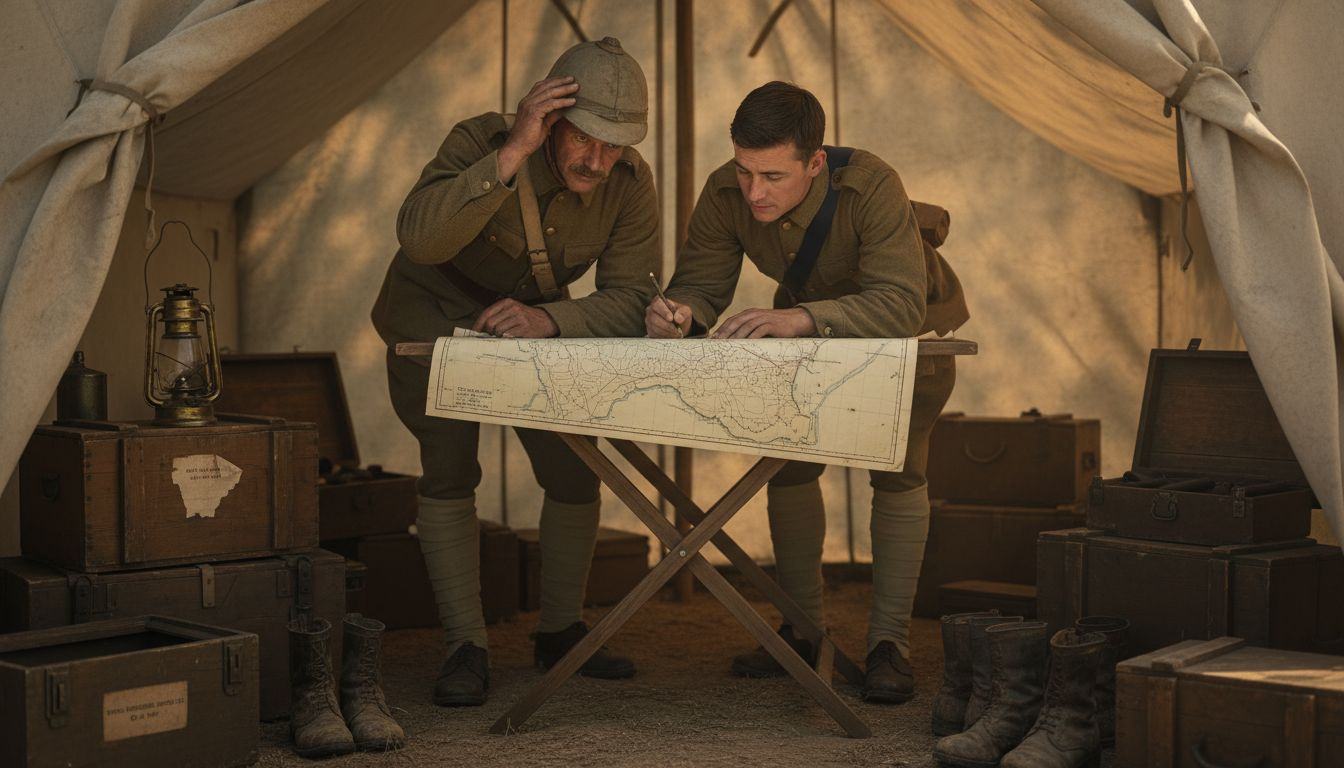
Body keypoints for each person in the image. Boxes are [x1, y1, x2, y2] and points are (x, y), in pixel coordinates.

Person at [645, 81, 968, 703]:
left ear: (815, 163)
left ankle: (889, 646)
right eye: (744, 171)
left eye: (773, 175)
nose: (754, 192)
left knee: (898, 472)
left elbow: (900, 305)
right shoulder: (724, 191)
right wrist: (680, 313)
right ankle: (801, 631)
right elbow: (701, 285)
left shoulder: (871, 184)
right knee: (788, 463)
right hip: (808, 337)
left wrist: (799, 318)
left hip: (909, 340)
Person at [371, 37, 657, 707]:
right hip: (433, 315)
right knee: (449, 470)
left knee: (574, 468)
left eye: (614, 145)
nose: (598, 161)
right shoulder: (483, 140)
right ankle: (464, 646)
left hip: (536, 327)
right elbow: (419, 239)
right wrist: (512, 154)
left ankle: (561, 632)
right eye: (584, 138)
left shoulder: (629, 182)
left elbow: (633, 296)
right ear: (550, 118)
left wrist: (550, 320)